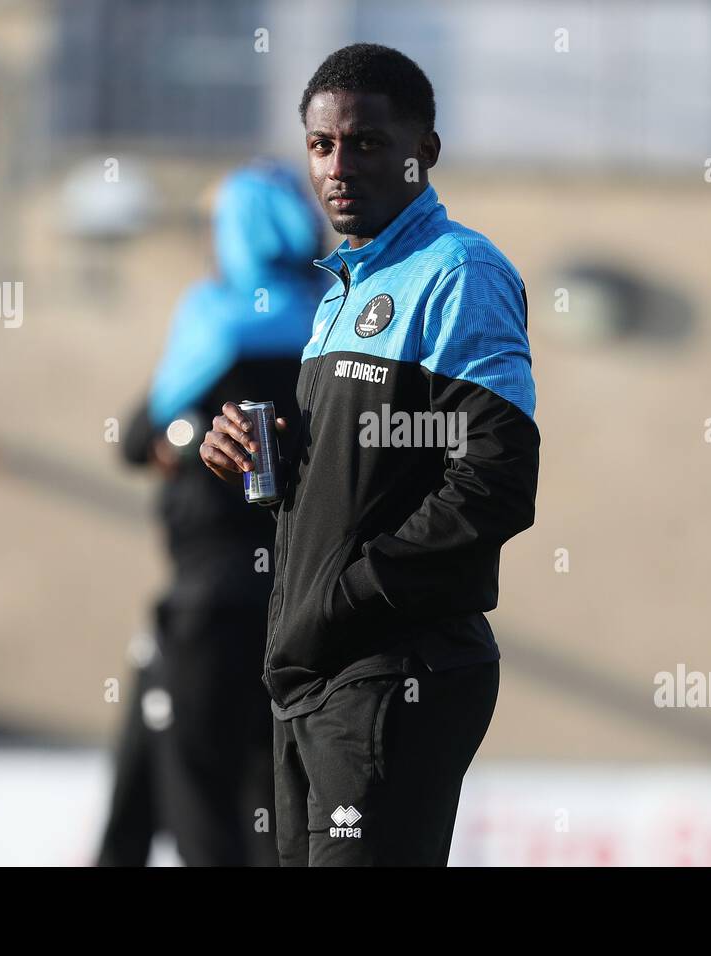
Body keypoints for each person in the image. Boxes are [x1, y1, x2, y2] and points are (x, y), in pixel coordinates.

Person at [200, 44, 541, 866]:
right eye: (321, 146)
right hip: (311, 676)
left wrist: (348, 596)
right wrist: (260, 463)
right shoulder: (340, 292)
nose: (338, 167)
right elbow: (359, 480)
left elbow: (495, 479)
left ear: (424, 152)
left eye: (367, 143)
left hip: (394, 671)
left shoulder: (459, 272)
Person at [97, 160, 325, 866]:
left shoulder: (219, 323)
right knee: (268, 795)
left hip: (214, 601)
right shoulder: (335, 326)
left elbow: (137, 437)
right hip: (302, 603)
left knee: (196, 789)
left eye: (214, 223)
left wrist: (184, 439)